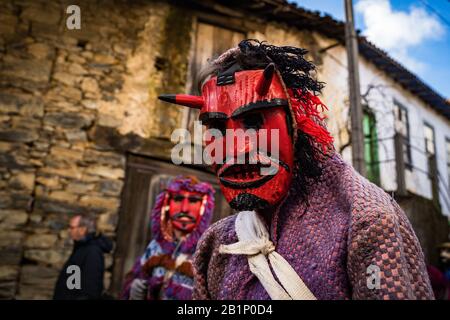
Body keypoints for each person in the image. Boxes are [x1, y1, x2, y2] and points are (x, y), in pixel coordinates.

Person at [158, 39, 434, 300]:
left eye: (254, 121)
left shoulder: (367, 221)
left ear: (296, 121)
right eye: (216, 128)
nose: (233, 147)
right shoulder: (216, 245)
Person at [121, 176, 214, 300]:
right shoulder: (155, 247)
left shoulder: (208, 252)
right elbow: (139, 278)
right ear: (167, 203)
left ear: (204, 205)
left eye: (193, 200)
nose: (184, 209)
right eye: (178, 199)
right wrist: (134, 291)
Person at [53, 213, 112, 300]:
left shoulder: (92, 252)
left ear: (83, 229)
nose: (69, 230)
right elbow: (73, 283)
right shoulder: (81, 249)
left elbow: (90, 289)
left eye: (72, 227)